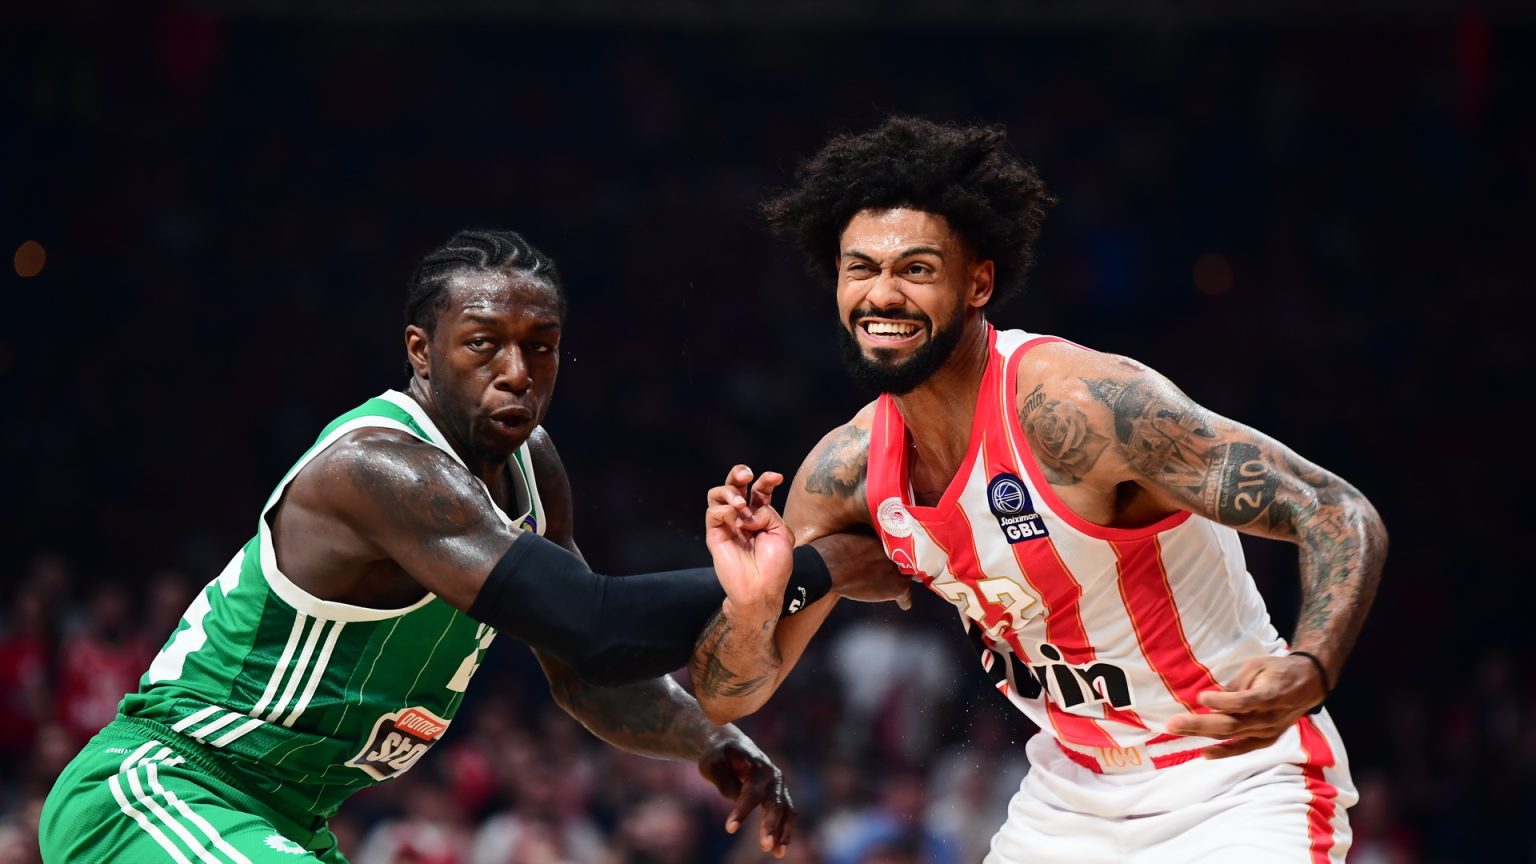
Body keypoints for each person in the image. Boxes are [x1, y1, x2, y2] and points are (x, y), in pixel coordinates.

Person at [39, 229, 895, 863]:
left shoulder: (533, 467)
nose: (517, 372)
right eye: (484, 345)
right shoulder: (380, 468)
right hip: (167, 786)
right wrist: (822, 567)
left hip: (285, 817)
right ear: (422, 351)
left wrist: (708, 741)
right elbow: (598, 623)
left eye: (540, 348)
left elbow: (586, 670)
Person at [692, 118, 1389, 862]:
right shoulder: (848, 472)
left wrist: (1310, 667)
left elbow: (1335, 510)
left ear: (978, 283)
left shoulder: (1083, 408)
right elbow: (730, 694)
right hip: (1070, 798)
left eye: (917, 269)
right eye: (860, 268)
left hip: (1235, 781)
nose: (883, 294)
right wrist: (753, 605)